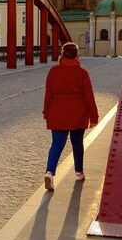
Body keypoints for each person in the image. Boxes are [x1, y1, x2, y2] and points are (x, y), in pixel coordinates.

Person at [42, 42, 99, 191]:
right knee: (77, 143)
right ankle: (79, 172)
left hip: (57, 112)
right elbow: (89, 97)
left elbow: (48, 94)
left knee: (57, 144)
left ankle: (49, 172)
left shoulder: (53, 72)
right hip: (78, 113)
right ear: (76, 55)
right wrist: (94, 117)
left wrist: (46, 112)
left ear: (62, 54)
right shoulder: (82, 73)